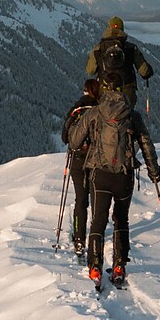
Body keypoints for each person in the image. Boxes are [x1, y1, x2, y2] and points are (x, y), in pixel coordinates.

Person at [64, 86, 160, 288]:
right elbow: (146, 143)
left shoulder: (94, 112)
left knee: (98, 222)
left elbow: (74, 141)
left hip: (99, 175)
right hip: (123, 176)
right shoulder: (132, 115)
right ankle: (119, 267)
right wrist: (154, 171)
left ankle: (94, 267)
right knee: (121, 220)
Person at [62, 78, 101, 255]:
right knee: (96, 199)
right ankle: (95, 235)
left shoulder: (75, 110)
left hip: (78, 159)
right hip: (97, 159)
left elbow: (65, 137)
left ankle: (79, 238)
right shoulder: (101, 110)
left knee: (81, 199)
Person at [85, 16, 153, 106]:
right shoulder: (131, 48)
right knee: (127, 115)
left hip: (104, 91)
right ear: (122, 29)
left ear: (109, 28)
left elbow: (90, 71)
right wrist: (149, 71)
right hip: (127, 92)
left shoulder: (98, 48)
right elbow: (144, 71)